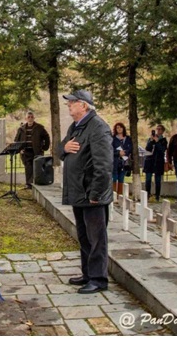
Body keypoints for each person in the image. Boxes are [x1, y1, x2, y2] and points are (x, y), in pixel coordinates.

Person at [59, 90, 113, 294]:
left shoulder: (98, 127)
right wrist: (64, 148)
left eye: (72, 102)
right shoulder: (76, 127)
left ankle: (99, 279)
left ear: (84, 105)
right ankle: (88, 274)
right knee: (84, 236)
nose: (69, 106)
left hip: (92, 194)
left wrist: (96, 194)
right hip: (78, 191)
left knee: (97, 237)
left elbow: (104, 165)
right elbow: (59, 149)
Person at [14, 111, 50, 188]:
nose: (30, 118)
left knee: (36, 167)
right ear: (26, 118)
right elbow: (16, 140)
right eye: (28, 117)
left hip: (36, 151)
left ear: (34, 118)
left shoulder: (39, 128)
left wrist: (44, 147)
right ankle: (29, 184)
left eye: (31, 117)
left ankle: (36, 183)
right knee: (28, 167)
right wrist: (19, 150)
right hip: (26, 152)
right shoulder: (21, 129)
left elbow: (47, 137)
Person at [143, 124, 168, 201]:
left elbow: (162, 150)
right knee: (148, 179)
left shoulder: (164, 140)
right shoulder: (151, 139)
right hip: (150, 161)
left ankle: (157, 196)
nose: (158, 131)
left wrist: (157, 142)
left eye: (160, 129)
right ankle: (147, 195)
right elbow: (147, 148)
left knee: (157, 180)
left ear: (162, 131)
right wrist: (151, 141)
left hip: (158, 162)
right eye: (157, 129)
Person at [111, 122, 133, 196]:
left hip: (124, 161)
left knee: (121, 178)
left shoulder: (128, 138)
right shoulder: (113, 139)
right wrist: (118, 153)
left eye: (120, 127)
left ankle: (119, 195)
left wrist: (125, 152)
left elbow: (130, 148)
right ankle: (114, 196)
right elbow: (110, 149)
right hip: (115, 161)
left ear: (123, 128)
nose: (119, 129)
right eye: (117, 128)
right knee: (114, 177)